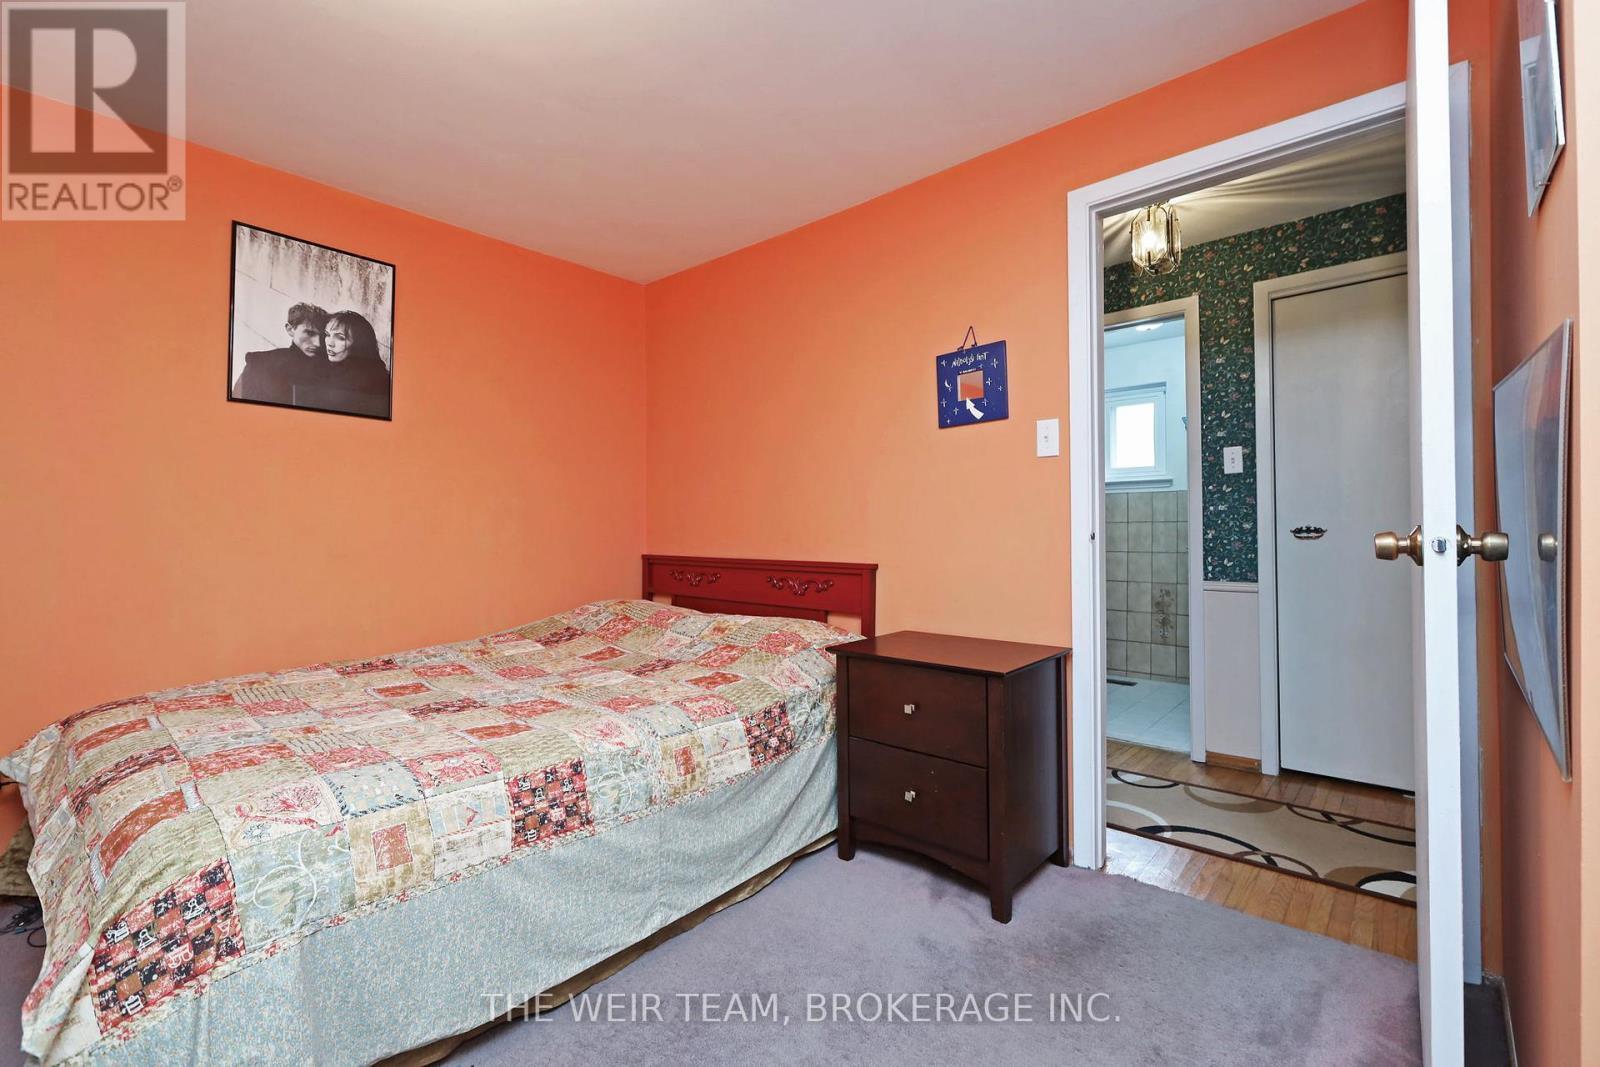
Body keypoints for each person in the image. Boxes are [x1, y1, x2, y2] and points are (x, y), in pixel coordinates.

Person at [232, 303, 328, 405]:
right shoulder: (260, 362)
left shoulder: (329, 368)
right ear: (290, 329)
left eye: (322, 336)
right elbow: (238, 405)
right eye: (310, 333)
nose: (318, 343)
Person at [313, 310, 392, 418]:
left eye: (340, 338)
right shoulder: (323, 366)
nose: (330, 343)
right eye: (327, 335)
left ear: (358, 344)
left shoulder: (371, 380)